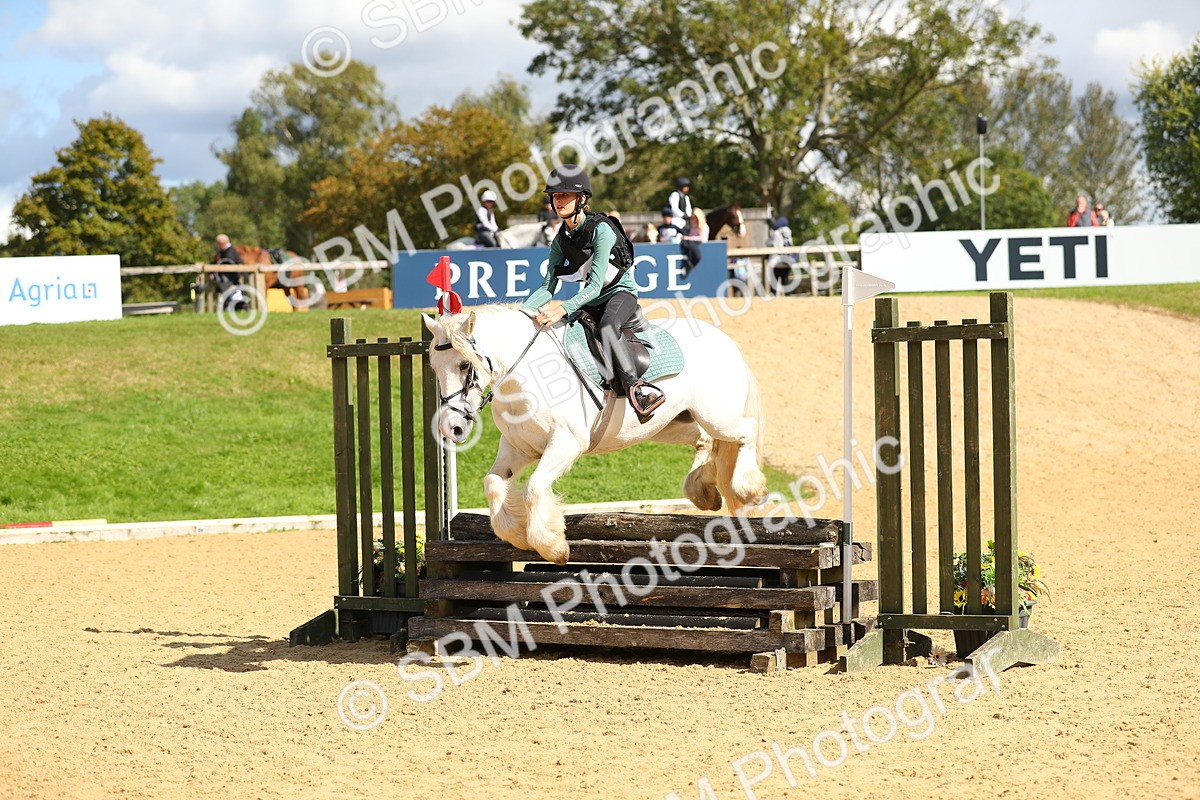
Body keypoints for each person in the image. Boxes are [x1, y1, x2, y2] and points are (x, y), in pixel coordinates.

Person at [522, 164, 665, 418]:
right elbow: (547, 287)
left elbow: (596, 285)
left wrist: (562, 308)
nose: (558, 200)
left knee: (608, 327)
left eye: (564, 195)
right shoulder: (560, 240)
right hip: (591, 300)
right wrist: (522, 311)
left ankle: (637, 390)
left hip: (620, 294)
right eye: (555, 196)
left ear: (582, 199)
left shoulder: (601, 230)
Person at [212, 234, 248, 310]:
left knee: (233, 298)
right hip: (228, 282)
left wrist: (215, 275)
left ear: (221, 244)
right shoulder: (223, 251)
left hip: (231, 281)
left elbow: (226, 265)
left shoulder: (229, 252)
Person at [767, 216, 794, 295]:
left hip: (776, 262)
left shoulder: (776, 233)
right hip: (787, 261)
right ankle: (789, 301)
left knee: (773, 285)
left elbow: (773, 244)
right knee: (786, 282)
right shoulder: (789, 232)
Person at [680, 208, 708, 274]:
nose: (693, 219)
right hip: (691, 244)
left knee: (690, 243)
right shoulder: (693, 226)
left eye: (695, 217)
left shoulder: (704, 226)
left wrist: (689, 238)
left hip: (698, 245)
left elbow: (703, 239)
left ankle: (693, 261)